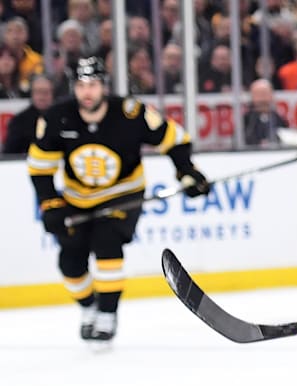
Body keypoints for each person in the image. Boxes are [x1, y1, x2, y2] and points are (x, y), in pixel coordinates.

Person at [28, 56, 211, 346]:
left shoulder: (130, 113)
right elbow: (39, 168)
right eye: (81, 85)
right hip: (77, 198)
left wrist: (187, 171)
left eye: (93, 84)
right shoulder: (56, 118)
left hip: (122, 195)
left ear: (104, 86)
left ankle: (107, 314)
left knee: (107, 243)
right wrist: (50, 203)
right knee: (70, 262)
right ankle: (89, 307)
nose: (87, 91)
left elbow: (174, 138)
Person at [2, 73, 52, 154]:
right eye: (38, 92)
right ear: (32, 94)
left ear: (52, 94)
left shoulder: (60, 118)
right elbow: (9, 152)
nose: (42, 96)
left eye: (46, 92)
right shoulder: (19, 121)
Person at [243, 78, 289, 145]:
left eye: (264, 93)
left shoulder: (279, 119)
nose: (262, 98)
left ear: (271, 95)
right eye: (258, 94)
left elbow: (285, 137)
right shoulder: (246, 120)